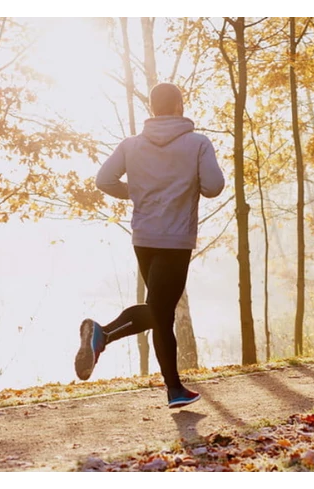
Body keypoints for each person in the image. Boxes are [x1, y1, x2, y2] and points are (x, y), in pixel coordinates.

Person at [74, 82, 225, 409]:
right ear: (179, 106)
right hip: (175, 239)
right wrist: (184, 184)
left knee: (160, 310)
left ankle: (173, 388)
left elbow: (104, 180)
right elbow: (214, 186)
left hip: (143, 238)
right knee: (161, 310)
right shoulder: (197, 144)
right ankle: (105, 335)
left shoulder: (131, 145)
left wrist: (140, 191)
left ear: (153, 109)